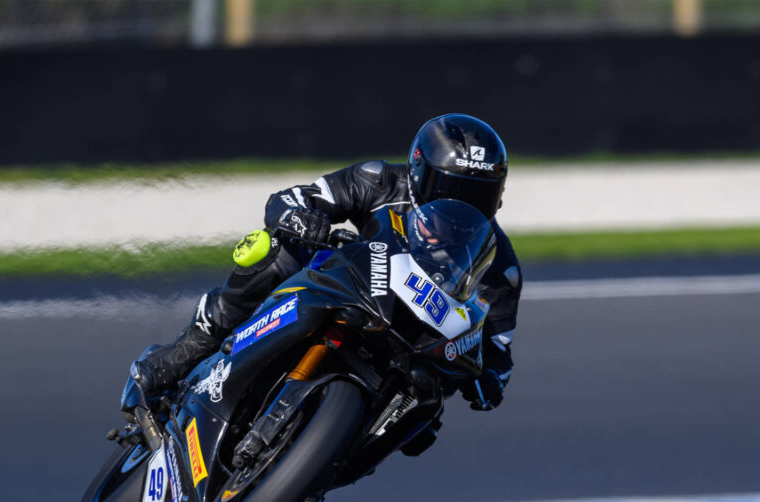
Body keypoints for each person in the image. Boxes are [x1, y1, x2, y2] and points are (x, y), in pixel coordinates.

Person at [134, 113, 521, 412]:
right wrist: (302, 218)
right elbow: (288, 200)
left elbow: (498, 353)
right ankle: (187, 351)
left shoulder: (500, 267)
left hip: (411, 344)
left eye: (477, 198)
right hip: (352, 287)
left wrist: (487, 379)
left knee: (429, 408)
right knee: (273, 249)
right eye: (449, 190)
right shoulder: (378, 181)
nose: (459, 210)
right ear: (418, 174)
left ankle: (330, 460)